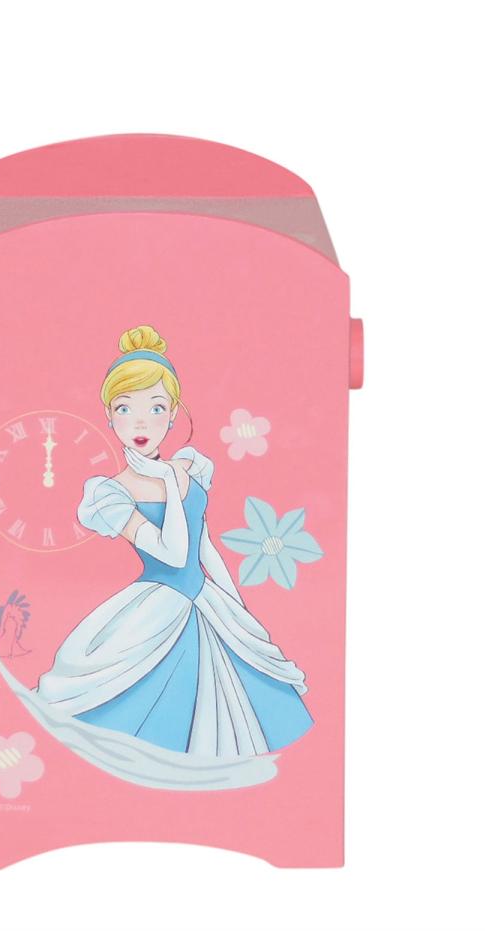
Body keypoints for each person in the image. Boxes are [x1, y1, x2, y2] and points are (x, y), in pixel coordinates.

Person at [33, 325, 314, 766]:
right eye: (125, 408)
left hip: (206, 601)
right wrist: (166, 481)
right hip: (156, 608)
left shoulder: (191, 468)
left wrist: (239, 610)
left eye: (156, 407)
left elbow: (203, 548)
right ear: (109, 415)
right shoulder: (112, 492)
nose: (140, 422)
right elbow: (171, 553)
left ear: (173, 414)